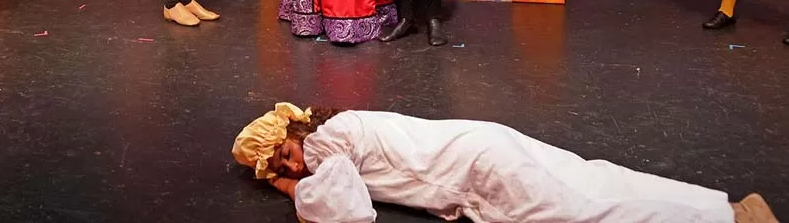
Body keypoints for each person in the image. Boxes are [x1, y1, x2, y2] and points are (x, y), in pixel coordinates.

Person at [232, 102, 777, 223]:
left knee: (587, 212)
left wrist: (287, 187)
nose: (295, 165)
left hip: (481, 171)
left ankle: (728, 219)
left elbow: (343, 210)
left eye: (285, 155)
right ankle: (729, 208)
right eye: (284, 165)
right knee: (592, 178)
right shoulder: (346, 125)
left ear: (294, 132)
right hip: (483, 145)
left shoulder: (326, 143)